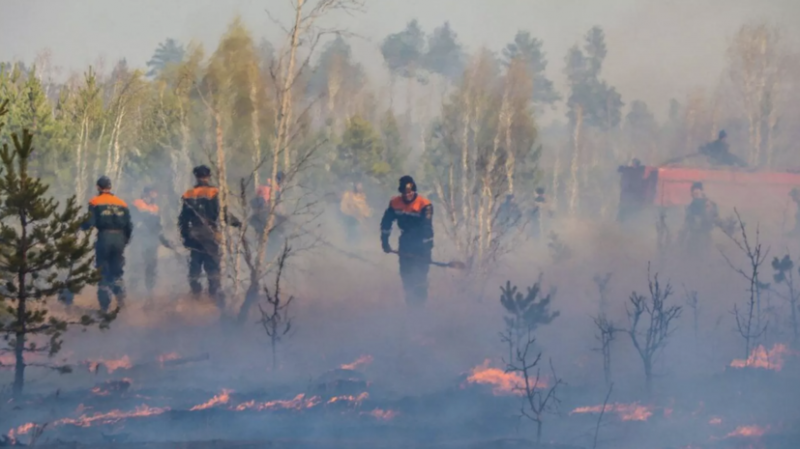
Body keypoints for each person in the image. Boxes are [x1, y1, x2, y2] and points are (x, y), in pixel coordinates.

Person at [179, 165, 239, 306]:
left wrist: (185, 236)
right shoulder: (214, 192)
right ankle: (213, 295)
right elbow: (222, 214)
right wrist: (237, 223)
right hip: (210, 233)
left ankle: (196, 294)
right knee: (212, 264)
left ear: (196, 176)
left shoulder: (188, 194)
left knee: (195, 265)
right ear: (208, 176)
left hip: (194, 234)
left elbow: (183, 218)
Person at [380, 175, 434, 307]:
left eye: (410, 192)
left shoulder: (425, 205)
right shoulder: (395, 203)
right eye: (404, 193)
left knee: (421, 276)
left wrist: (426, 250)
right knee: (406, 274)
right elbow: (386, 223)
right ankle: (410, 302)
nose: (407, 195)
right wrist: (385, 242)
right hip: (405, 242)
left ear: (414, 190)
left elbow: (427, 228)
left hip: (421, 243)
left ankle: (420, 304)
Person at [82, 176, 133, 312]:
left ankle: (104, 308)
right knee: (117, 271)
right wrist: (124, 241)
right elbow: (129, 226)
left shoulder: (95, 201)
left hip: (105, 237)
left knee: (103, 272)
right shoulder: (121, 203)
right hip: (119, 238)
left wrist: (78, 228)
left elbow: (89, 222)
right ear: (110, 187)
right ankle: (121, 302)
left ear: (98, 187)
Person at [131, 186, 173, 296]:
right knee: (136, 264)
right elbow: (132, 221)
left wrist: (163, 240)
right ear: (146, 193)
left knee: (151, 265)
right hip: (139, 240)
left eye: (155, 193)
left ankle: (150, 290)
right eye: (152, 193)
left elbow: (157, 226)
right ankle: (132, 289)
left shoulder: (155, 208)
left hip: (152, 241)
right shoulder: (137, 204)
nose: (155, 195)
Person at [680, 182, 722, 253]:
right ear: (692, 194)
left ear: (702, 192)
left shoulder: (709, 205)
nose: (696, 193)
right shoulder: (690, 207)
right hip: (693, 237)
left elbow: (716, 219)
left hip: (704, 236)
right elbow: (686, 224)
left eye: (697, 192)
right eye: (694, 192)